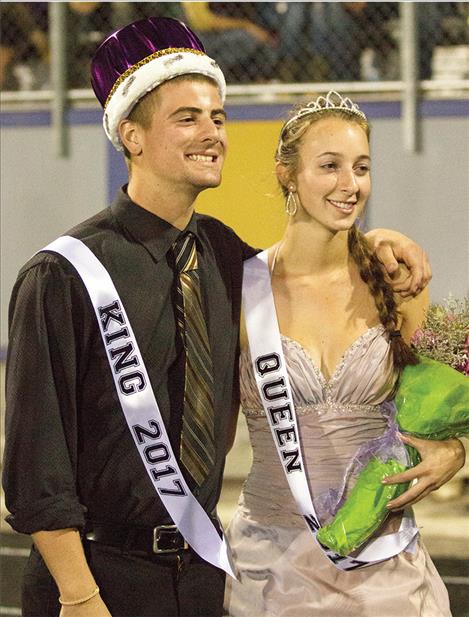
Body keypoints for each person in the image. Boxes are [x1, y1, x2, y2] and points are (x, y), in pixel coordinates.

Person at [1, 16, 445, 617]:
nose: (211, 133)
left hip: (205, 577)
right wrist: (80, 596)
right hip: (98, 579)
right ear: (131, 136)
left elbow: (307, 259)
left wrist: (385, 241)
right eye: (187, 118)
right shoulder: (64, 274)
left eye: (218, 117)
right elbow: (36, 463)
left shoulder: (223, 255)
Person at [224, 91, 465, 617]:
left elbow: (430, 413)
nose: (349, 185)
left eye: (361, 168)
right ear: (287, 174)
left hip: (385, 570)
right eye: (328, 166)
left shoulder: (399, 280)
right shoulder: (241, 291)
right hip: (271, 566)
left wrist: (454, 450)